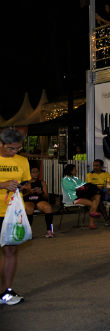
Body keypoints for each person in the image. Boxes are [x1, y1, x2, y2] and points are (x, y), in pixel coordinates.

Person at [0, 128, 31, 305]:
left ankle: (6, 292)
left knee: (11, 251)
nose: (14, 152)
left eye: (18, 148)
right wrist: (2, 184)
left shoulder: (22, 161)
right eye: (11, 148)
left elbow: (27, 183)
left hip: (12, 214)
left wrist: (23, 187)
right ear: (1, 144)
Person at [61, 164, 102, 229]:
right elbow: (72, 189)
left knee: (97, 196)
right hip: (72, 198)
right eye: (75, 169)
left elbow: (83, 184)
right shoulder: (65, 179)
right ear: (70, 171)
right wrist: (82, 187)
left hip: (80, 196)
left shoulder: (75, 178)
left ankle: (92, 219)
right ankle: (92, 218)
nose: (76, 170)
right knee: (93, 204)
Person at [22, 166, 54, 238]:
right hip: (28, 200)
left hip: (39, 200)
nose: (35, 174)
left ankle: (49, 230)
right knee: (29, 209)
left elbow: (46, 196)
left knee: (48, 208)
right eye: (33, 172)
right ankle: (28, 232)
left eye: (37, 172)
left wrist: (41, 192)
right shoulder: (25, 183)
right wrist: (29, 192)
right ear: (29, 173)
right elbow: (20, 196)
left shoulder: (42, 182)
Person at [86, 159, 110, 226]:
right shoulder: (89, 174)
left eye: (97, 165)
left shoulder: (106, 173)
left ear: (101, 166)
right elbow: (90, 186)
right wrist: (100, 187)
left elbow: (109, 183)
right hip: (95, 192)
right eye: (94, 165)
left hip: (105, 190)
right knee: (99, 201)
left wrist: (109, 190)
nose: (95, 167)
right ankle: (106, 219)